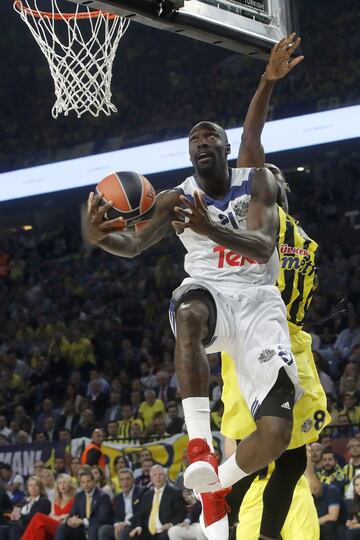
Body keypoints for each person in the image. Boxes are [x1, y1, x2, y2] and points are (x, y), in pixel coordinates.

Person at [86, 37, 304, 520]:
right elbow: (134, 244)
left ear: (228, 148)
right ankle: (200, 444)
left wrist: (267, 80)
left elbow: (264, 247)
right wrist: (96, 235)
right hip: (211, 295)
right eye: (194, 140)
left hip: (259, 300)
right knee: (188, 313)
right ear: (189, 154)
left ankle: (215, 486)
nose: (202, 141)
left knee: (275, 435)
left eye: (210, 136)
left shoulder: (260, 180)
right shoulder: (174, 199)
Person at [215, 34, 330, 540]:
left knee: (292, 454)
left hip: (294, 338)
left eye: (275, 175)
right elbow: (249, 145)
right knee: (260, 447)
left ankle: (259, 533)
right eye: (265, 174)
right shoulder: (260, 217)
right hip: (256, 336)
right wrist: (266, 82)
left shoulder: (302, 237)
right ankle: (218, 506)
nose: (270, 175)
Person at [127, 465, 186, 540]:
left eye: (160, 474)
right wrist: (139, 527)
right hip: (147, 531)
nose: (158, 477)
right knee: (132, 537)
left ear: (165, 477)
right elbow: (141, 515)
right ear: (151, 479)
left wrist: (171, 524)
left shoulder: (175, 492)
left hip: (165, 530)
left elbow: (182, 512)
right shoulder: (146, 495)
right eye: (154, 475)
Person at [54, 470, 113, 540]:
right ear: (80, 484)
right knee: (62, 528)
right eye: (83, 482)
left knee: (92, 528)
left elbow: (102, 518)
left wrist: (83, 521)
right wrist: (69, 520)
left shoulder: (102, 496)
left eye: (88, 481)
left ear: (93, 481)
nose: (86, 484)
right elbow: (73, 513)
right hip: (81, 529)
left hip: (96, 527)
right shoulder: (79, 496)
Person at [21, 474, 76, 540]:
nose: (62, 485)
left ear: (69, 485)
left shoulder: (75, 499)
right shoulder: (55, 500)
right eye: (60, 483)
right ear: (57, 486)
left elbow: (73, 515)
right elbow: (51, 515)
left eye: (65, 483)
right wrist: (60, 517)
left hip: (66, 527)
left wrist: (60, 517)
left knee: (38, 517)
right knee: (40, 528)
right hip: (55, 525)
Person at [98, 468, 145, 540]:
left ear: (133, 480)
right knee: (104, 530)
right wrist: (117, 524)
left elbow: (142, 512)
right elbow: (115, 515)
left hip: (135, 525)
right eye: (122, 480)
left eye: (128, 479)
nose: (125, 482)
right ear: (119, 482)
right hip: (122, 526)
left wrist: (127, 522)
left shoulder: (141, 492)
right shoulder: (118, 498)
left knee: (123, 531)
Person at [0, 475, 51, 540]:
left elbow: (36, 518)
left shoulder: (44, 501)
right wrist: (13, 515)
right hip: (20, 525)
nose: (33, 488)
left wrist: (20, 516)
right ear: (27, 488)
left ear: (40, 488)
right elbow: (15, 513)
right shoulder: (24, 500)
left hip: (32, 527)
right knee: (3, 528)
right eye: (30, 485)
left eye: (36, 485)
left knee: (15, 529)